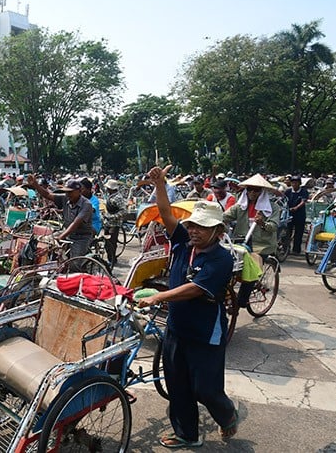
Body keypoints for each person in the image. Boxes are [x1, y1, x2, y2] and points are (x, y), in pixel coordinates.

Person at [138, 165, 239, 448]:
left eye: (203, 227)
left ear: (217, 231)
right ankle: (187, 435)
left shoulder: (222, 259)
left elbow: (195, 289)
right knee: (177, 384)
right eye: (193, 225)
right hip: (177, 327)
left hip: (205, 331)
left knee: (205, 389)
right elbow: (167, 213)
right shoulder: (183, 242)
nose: (194, 230)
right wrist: (160, 184)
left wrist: (158, 297)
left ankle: (227, 414)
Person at [223, 173, 280, 306]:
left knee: (251, 267)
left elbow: (274, 227)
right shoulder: (240, 206)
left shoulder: (273, 208)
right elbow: (225, 216)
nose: (252, 193)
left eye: (256, 190)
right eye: (249, 189)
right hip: (241, 241)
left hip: (261, 244)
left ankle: (242, 300)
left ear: (262, 192)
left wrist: (262, 224)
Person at [27, 176, 94, 266]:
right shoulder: (65, 198)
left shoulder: (87, 204)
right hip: (67, 232)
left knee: (75, 264)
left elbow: (75, 223)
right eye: (66, 192)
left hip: (81, 237)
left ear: (79, 191)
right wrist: (36, 185)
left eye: (70, 192)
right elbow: (47, 195)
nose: (68, 194)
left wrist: (61, 237)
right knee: (45, 242)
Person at [102, 179, 127, 268]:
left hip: (114, 224)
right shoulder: (110, 196)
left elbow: (124, 211)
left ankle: (112, 260)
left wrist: (112, 217)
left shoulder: (118, 198)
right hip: (107, 223)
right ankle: (110, 258)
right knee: (106, 243)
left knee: (112, 243)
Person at [284, 174, 309, 255]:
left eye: (296, 182)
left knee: (298, 233)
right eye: (293, 182)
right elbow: (283, 199)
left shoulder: (303, 191)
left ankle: (296, 250)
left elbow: (303, 201)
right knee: (287, 232)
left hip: (300, 215)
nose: (294, 184)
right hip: (289, 214)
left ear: (299, 183)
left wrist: (297, 207)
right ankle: (286, 249)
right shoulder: (288, 191)